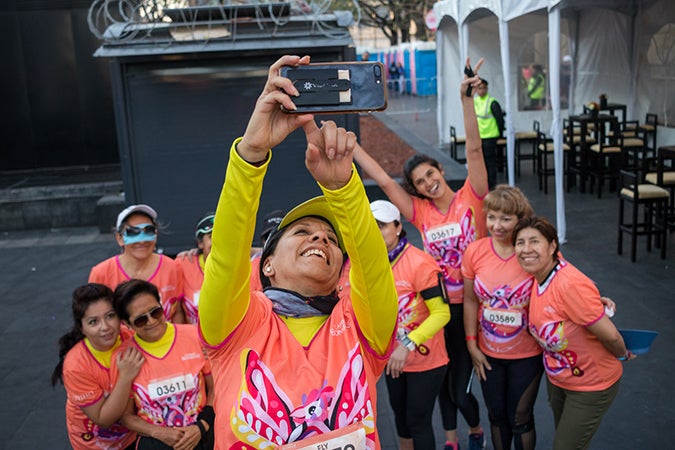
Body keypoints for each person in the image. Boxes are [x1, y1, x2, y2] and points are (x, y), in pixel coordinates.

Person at [198, 54, 398, 449]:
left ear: (342, 268)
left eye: (330, 239)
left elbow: (373, 267)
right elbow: (226, 254)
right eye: (303, 231)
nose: (321, 240)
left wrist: (343, 188)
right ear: (266, 264)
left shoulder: (361, 325)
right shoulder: (236, 325)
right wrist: (251, 154)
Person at [352, 57, 489, 450]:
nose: (428, 183)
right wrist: (355, 146)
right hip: (437, 305)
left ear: (441, 172)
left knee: (461, 391)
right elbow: (380, 179)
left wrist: (466, 100)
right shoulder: (419, 213)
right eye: (419, 182)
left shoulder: (472, 197)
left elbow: (476, 151)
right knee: (443, 385)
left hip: (473, 305)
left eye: (431, 174)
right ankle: (451, 440)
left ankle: (475, 427)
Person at [513, 216, 635, 449]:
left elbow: (611, 336)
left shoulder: (568, 284)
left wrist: (622, 354)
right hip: (560, 380)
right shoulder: (537, 277)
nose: (526, 249)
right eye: (520, 242)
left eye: (534, 242)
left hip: (590, 385)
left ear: (552, 246)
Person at [461, 185, 543, 450]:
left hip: (527, 354)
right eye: (492, 217)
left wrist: (593, 300)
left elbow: (562, 283)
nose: (497, 225)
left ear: (520, 219)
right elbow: (471, 300)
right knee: (496, 417)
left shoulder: (532, 251)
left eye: (505, 218)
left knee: (520, 418)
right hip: (488, 354)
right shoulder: (475, 251)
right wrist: (472, 345)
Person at [371, 199, 450, 450]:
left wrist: (407, 344)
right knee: (401, 420)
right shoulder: (369, 264)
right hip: (391, 360)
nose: (376, 232)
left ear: (397, 226)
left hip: (425, 359)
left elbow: (442, 313)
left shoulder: (420, 262)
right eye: (371, 226)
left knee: (418, 421)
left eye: (381, 225)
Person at [112, 279, 215, 450]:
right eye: (140, 320)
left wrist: (201, 427)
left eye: (156, 312)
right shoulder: (124, 357)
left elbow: (215, 388)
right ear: (127, 324)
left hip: (203, 436)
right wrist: (159, 433)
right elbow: (125, 416)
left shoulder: (195, 336)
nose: (151, 321)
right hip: (156, 444)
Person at [51, 283, 145, 450]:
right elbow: (103, 419)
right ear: (82, 328)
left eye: (110, 316)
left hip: (131, 435)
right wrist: (125, 377)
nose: (105, 327)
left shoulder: (133, 339)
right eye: (93, 322)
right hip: (94, 443)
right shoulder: (76, 366)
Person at [89, 204, 185, 323]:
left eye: (148, 230)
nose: (142, 240)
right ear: (119, 238)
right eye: (132, 232)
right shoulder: (101, 274)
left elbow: (178, 312)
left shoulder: (173, 267)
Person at [176, 214, 214, 324]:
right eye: (211, 236)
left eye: (224, 235)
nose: (219, 241)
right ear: (200, 243)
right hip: (193, 338)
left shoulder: (243, 266)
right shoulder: (184, 264)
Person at [473, 79, 504, 189]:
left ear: (487, 89)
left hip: (490, 136)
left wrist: (499, 134)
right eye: (479, 88)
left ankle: (491, 185)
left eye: (483, 88)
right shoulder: (474, 101)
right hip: (479, 136)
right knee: (481, 162)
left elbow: (500, 120)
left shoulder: (492, 102)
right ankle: (484, 184)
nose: (481, 90)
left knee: (489, 161)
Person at [249, 209, 285, 291]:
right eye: (268, 236)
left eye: (278, 236)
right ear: (263, 241)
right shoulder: (252, 266)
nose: (273, 241)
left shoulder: (301, 263)